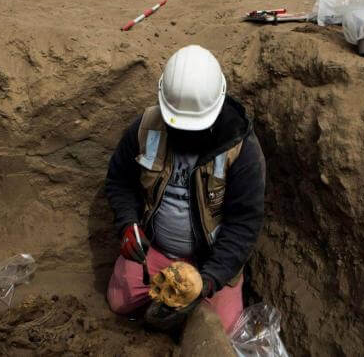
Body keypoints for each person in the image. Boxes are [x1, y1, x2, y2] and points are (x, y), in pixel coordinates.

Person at [105, 45, 266, 333]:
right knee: (120, 302)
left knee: (223, 331)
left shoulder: (242, 149)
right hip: (156, 249)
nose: (186, 134)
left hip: (211, 260)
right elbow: (119, 180)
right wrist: (127, 223)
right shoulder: (146, 129)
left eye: (196, 128)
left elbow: (244, 225)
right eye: (178, 125)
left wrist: (208, 280)